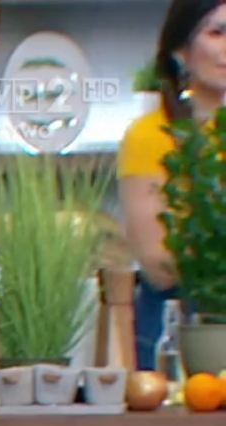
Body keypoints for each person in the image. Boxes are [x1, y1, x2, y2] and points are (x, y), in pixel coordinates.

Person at [118, 0, 226, 368]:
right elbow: (157, 263)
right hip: (177, 324)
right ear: (180, 52)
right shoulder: (151, 136)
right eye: (217, 32)